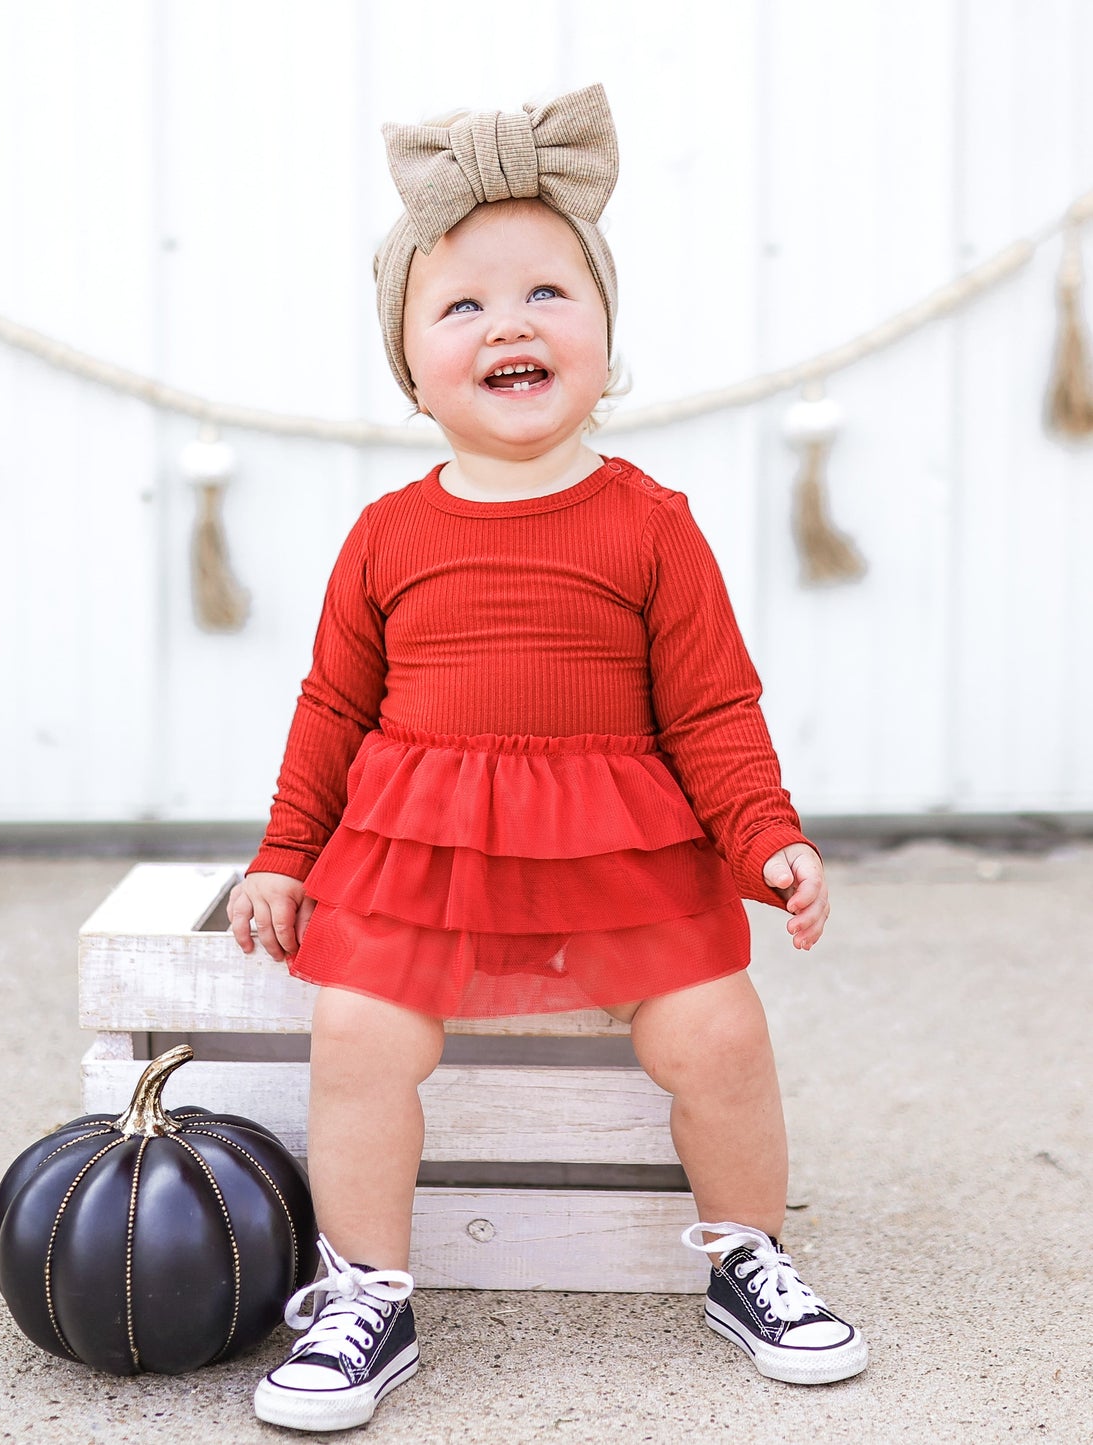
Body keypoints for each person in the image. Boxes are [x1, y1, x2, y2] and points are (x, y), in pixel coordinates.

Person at [228, 83, 867, 1434]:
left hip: (617, 857)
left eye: (545, 294)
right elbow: (332, 709)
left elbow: (712, 708)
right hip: (421, 857)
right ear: (409, 365)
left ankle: (746, 1253)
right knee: (355, 1035)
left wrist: (766, 833)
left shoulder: (651, 524)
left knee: (719, 1030)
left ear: (603, 334)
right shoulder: (387, 536)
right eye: (461, 305)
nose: (508, 323)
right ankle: (367, 1290)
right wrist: (285, 854)